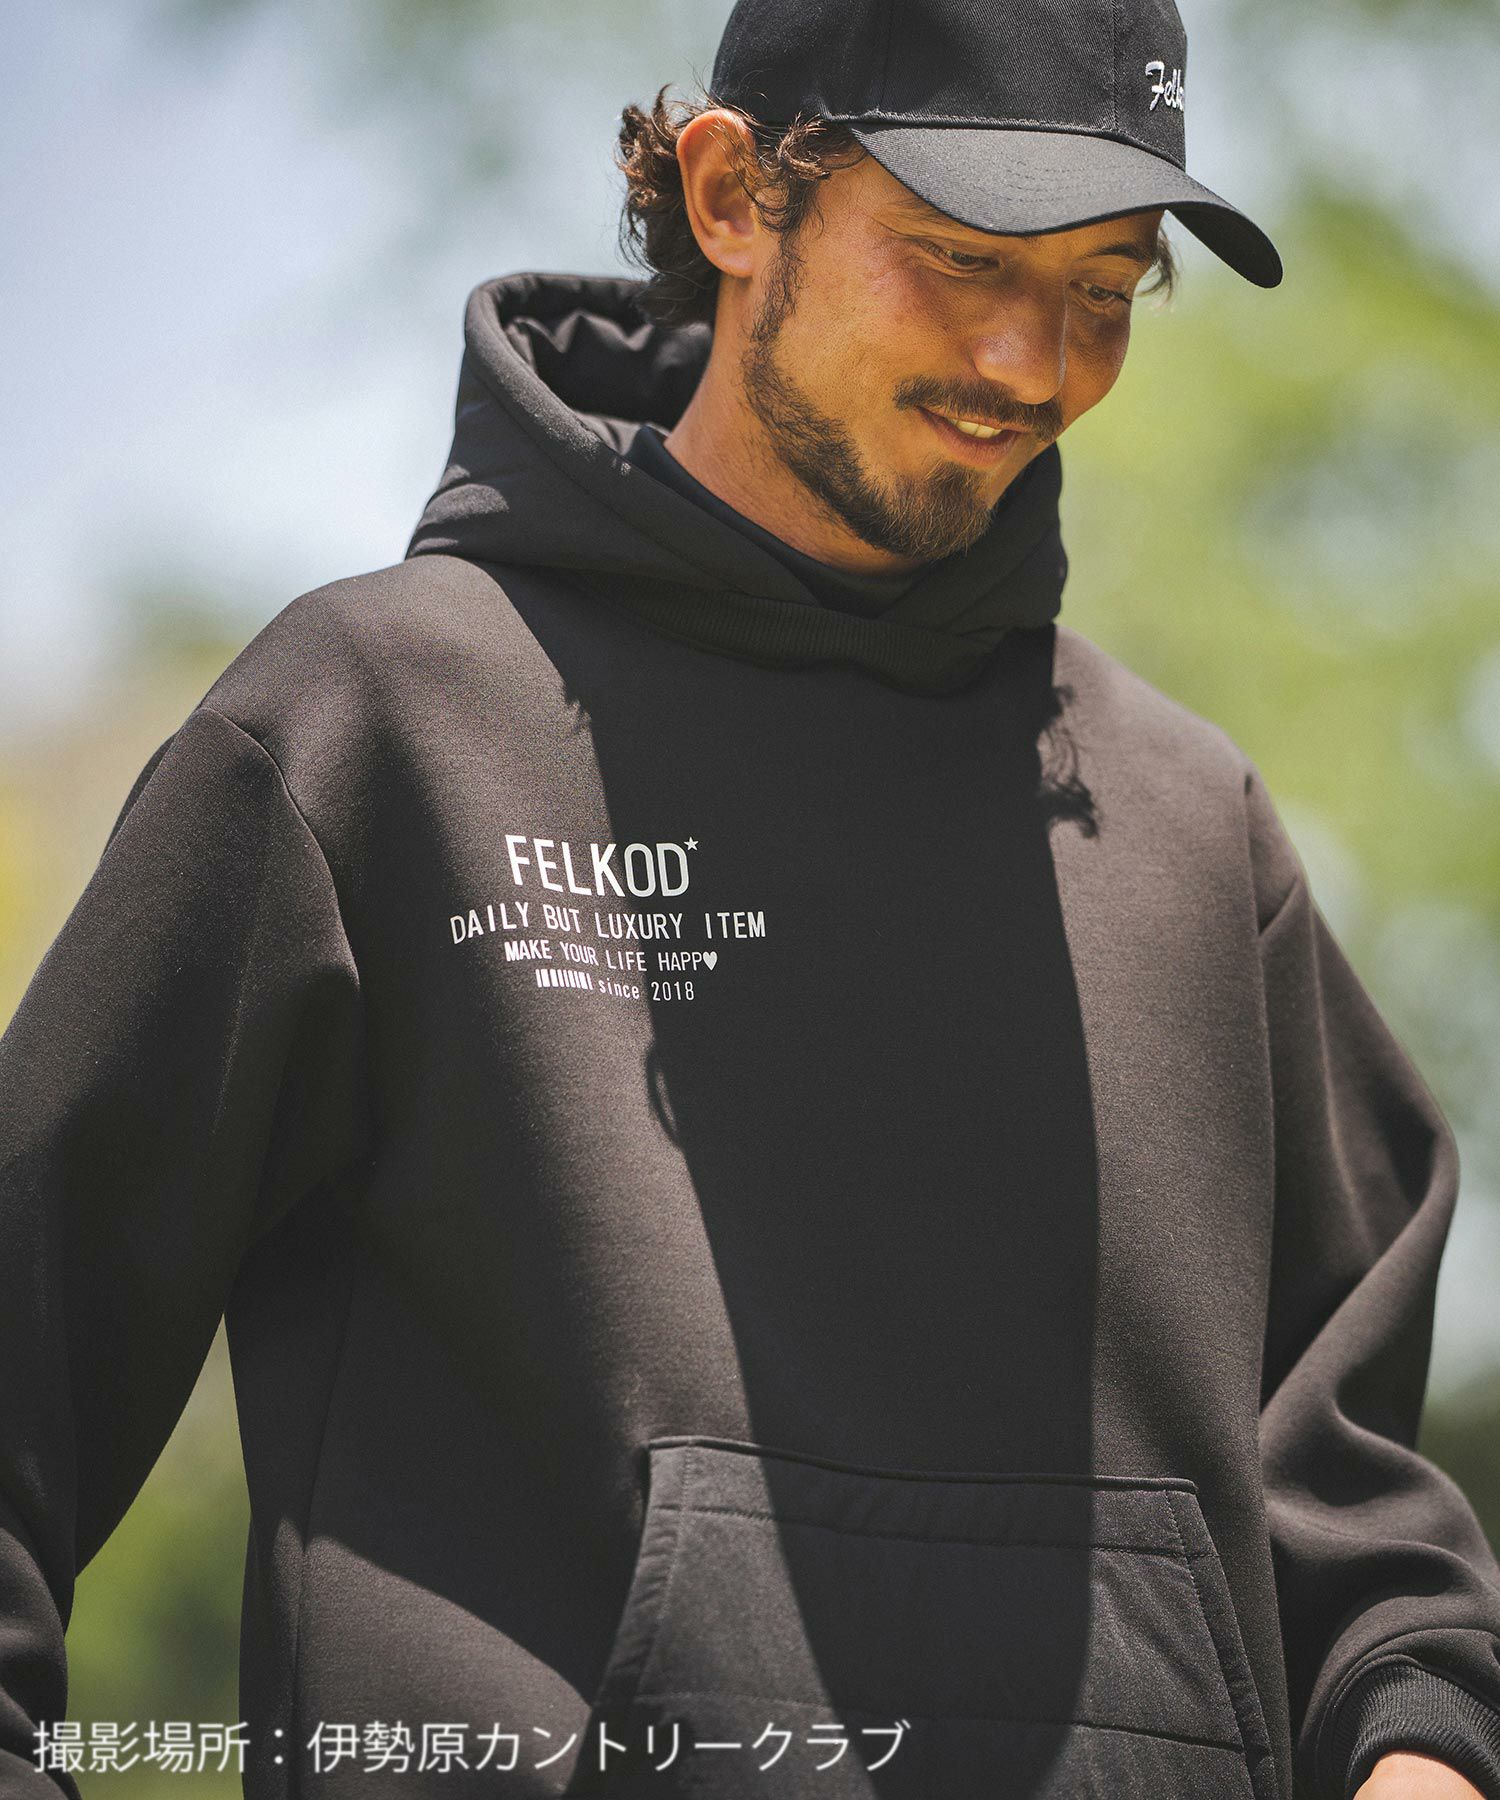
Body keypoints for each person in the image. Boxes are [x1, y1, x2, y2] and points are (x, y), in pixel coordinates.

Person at [2, 0, 1499, 1794]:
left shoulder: (1198, 837)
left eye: (1107, 289)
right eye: (964, 256)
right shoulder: (379, 733)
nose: (1031, 360)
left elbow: (1373, 1551)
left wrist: (1421, 1750)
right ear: (730, 194)